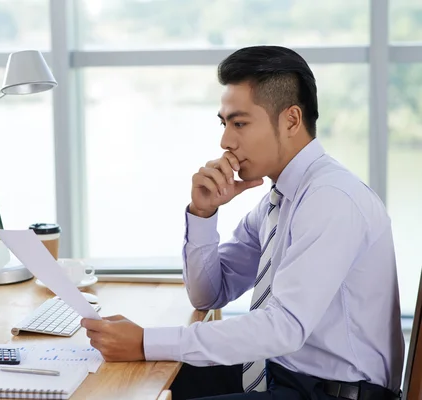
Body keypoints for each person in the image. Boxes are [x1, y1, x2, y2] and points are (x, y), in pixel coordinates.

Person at [80, 45, 405, 400]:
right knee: (139, 381)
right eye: (224, 123)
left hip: (333, 393)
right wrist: (202, 214)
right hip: (283, 375)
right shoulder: (277, 201)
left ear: (291, 120)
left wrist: (145, 341)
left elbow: (284, 328)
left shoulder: (331, 199)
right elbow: (209, 294)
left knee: (148, 374)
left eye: (240, 123)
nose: (225, 141)